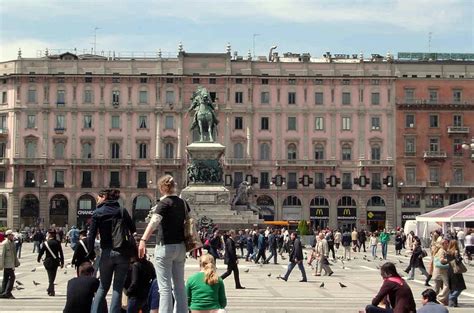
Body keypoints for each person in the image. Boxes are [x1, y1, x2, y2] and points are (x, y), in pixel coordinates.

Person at [138, 175, 188, 313]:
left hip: (165, 246)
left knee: (164, 287)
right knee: (179, 286)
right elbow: (190, 224)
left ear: (162, 188)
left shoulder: (164, 203)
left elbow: (154, 222)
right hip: (180, 248)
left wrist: (143, 240)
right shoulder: (183, 203)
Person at [87, 189, 136, 313]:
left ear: (104, 197)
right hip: (122, 252)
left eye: (98, 197)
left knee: (103, 287)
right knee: (118, 288)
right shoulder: (121, 211)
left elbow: (91, 235)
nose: (97, 200)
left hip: (107, 252)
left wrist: (90, 251)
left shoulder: (98, 212)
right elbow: (133, 228)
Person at [37, 229, 64, 296]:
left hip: (48, 261)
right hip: (55, 261)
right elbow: (61, 253)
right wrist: (62, 262)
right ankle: (51, 290)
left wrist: (38, 258)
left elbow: (41, 252)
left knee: (50, 276)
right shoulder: (57, 242)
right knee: (53, 276)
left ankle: (50, 289)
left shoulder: (46, 243)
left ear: (49, 235)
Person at [0, 230, 20, 299]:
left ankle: (3, 292)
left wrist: (16, 263)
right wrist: (1, 265)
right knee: (12, 277)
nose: (13, 236)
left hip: (11, 264)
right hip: (7, 264)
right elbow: (2, 255)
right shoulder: (5, 243)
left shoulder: (12, 243)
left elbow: (14, 255)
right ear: (8, 235)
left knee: (5, 278)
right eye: (11, 235)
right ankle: (7, 292)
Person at [446, 239, 466, 307]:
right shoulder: (456, 252)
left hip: (449, 270)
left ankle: (453, 303)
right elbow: (457, 261)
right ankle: (451, 298)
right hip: (456, 271)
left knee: (452, 287)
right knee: (460, 287)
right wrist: (460, 258)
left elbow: (448, 260)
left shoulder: (447, 252)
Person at [432, 238, 449, 305]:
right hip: (441, 271)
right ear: (443, 244)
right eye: (446, 243)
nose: (447, 244)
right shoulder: (442, 250)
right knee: (447, 286)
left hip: (437, 271)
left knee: (437, 288)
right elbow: (442, 260)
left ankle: (433, 300)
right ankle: (439, 298)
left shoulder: (440, 250)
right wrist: (449, 261)